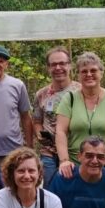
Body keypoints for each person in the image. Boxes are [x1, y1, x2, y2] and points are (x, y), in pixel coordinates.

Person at [55, 51, 105, 182]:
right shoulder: (69, 99)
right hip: (74, 167)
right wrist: (64, 161)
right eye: (84, 71)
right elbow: (60, 131)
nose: (89, 74)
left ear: (102, 73)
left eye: (93, 70)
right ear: (78, 75)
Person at [33, 45, 80, 186]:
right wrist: (39, 134)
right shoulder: (41, 94)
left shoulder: (81, 91)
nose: (58, 68)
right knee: (50, 191)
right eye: (53, 64)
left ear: (69, 65)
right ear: (48, 68)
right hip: (49, 153)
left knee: (74, 190)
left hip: (74, 151)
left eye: (62, 63)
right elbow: (37, 120)